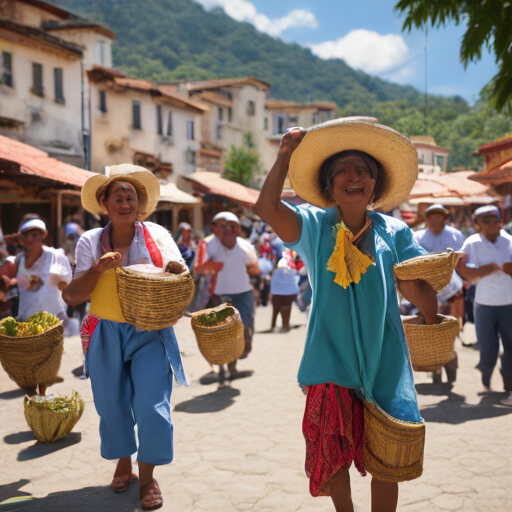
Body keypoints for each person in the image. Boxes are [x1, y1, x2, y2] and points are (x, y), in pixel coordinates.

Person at [254, 118, 438, 512]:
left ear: (375, 185)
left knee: (389, 458)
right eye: (342, 170)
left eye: (362, 171)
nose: (353, 178)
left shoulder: (395, 231)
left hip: (385, 360)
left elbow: (414, 286)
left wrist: (432, 305)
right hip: (329, 359)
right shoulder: (313, 225)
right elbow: (266, 207)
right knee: (331, 452)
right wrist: (285, 154)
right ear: (328, 184)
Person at [62, 164, 187, 511]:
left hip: (150, 330)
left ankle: (147, 477)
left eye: (130, 197)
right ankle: (123, 461)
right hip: (104, 331)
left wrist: (175, 270)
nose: (124, 202)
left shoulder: (158, 235)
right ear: (104, 204)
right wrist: (98, 269)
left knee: (153, 405)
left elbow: (180, 274)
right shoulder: (89, 241)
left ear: (139, 205)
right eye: (117, 197)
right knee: (111, 405)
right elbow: (72, 296)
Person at [195, 211, 260, 381]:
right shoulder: (207, 245)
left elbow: (254, 268)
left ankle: (232, 368)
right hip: (218, 296)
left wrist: (253, 273)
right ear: (214, 228)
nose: (228, 229)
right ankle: (224, 370)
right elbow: (197, 268)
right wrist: (213, 267)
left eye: (233, 226)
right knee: (220, 333)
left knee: (244, 331)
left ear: (239, 229)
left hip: (244, 295)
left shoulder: (246, 246)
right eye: (223, 225)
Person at [456, 205, 512, 392]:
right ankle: (487, 379)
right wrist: (483, 270)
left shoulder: (509, 241)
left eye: (494, 220)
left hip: (509, 303)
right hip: (484, 303)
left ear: (500, 222)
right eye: (485, 221)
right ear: (478, 223)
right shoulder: (472, 243)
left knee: (511, 346)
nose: (491, 224)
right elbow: (463, 270)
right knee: (488, 348)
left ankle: (508, 383)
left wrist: (506, 269)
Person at [414, 204, 466, 383]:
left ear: (445, 218)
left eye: (439, 216)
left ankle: (450, 362)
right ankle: (435, 368)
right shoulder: (417, 236)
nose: (435, 220)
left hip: (452, 290)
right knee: (429, 329)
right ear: (426, 218)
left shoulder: (455, 235)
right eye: (432, 216)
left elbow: (463, 261)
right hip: (424, 291)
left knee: (449, 329)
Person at [14, 217, 72, 322]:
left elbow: (68, 285)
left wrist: (63, 284)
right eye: (26, 236)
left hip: (52, 322)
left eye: (34, 235)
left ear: (43, 236)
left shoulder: (56, 257)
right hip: (26, 324)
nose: (30, 239)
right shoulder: (19, 260)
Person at [269, 249, 301, 332]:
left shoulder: (285, 262)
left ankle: (279, 326)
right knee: (283, 308)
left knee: (279, 308)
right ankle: (283, 326)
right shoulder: (288, 262)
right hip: (286, 290)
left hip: (281, 290)